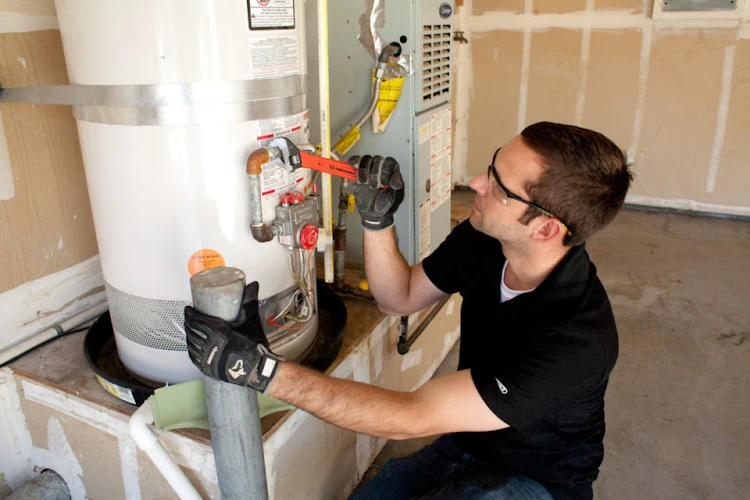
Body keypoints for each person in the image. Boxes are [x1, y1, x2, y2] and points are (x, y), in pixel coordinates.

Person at [184, 121, 633, 499]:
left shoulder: (577, 341)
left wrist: (261, 371)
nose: (477, 182)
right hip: (462, 445)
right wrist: (376, 219)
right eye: (492, 165)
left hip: (536, 478)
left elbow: (410, 417)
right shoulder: (485, 241)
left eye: (498, 186)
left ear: (546, 229)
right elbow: (396, 298)